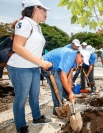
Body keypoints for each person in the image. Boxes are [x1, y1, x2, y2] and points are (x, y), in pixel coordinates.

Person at [7, 0, 52, 132]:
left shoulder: (37, 26)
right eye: (45, 10)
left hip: (33, 66)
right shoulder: (24, 23)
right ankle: (21, 126)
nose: (46, 14)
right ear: (36, 9)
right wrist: (41, 62)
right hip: (20, 67)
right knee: (21, 97)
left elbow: (33, 48)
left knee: (34, 94)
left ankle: (37, 117)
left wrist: (41, 60)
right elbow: (17, 47)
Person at [41, 47, 90, 116]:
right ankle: (57, 110)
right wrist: (70, 93)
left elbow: (69, 71)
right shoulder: (70, 57)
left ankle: (62, 101)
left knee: (65, 85)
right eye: (82, 61)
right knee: (58, 87)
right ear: (79, 55)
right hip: (47, 65)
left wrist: (70, 82)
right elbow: (63, 76)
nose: (82, 63)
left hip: (56, 68)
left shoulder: (74, 57)